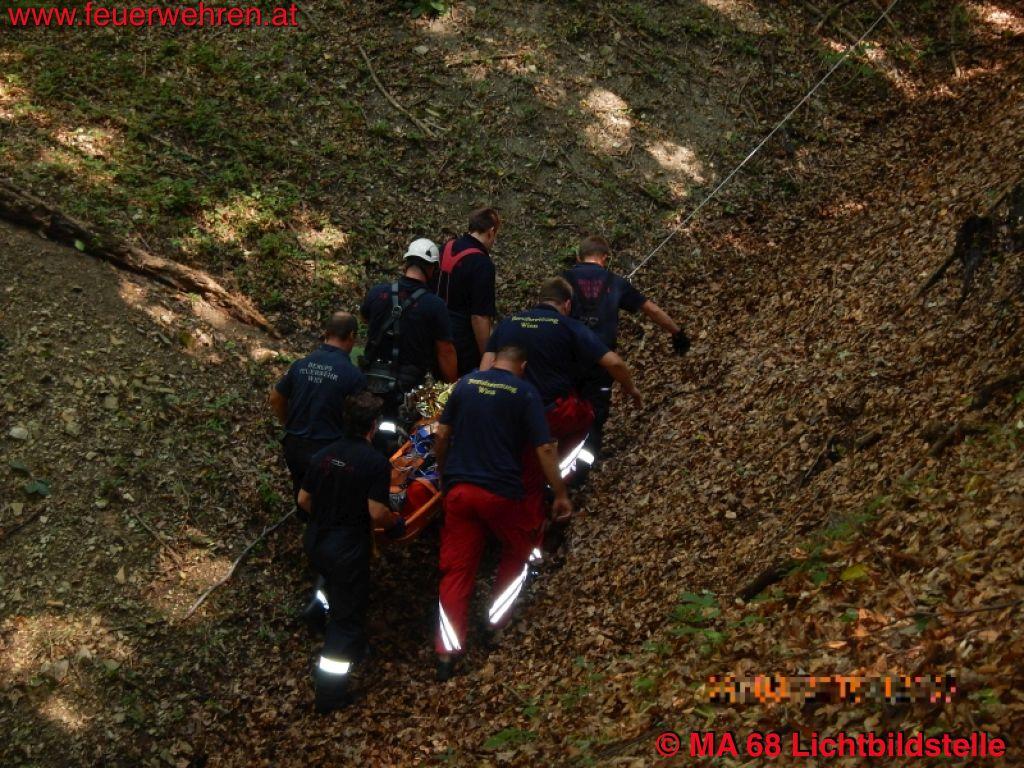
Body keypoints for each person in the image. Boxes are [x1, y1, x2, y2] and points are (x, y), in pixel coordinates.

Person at [432, 345, 571, 681]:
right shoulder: (525, 393)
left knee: (456, 571)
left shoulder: (467, 384)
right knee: (520, 549)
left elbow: (442, 434)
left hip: (461, 492)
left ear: (494, 361)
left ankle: (447, 654)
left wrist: (443, 473)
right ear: (522, 366)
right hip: (501, 495)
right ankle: (496, 620)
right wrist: (561, 494)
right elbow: (544, 447)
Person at [298, 392, 406, 713]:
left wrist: (327, 514)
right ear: (373, 426)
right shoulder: (374, 463)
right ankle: (330, 695)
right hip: (347, 546)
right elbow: (376, 512)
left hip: (317, 539)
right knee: (346, 621)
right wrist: (395, 524)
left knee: (331, 582)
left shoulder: (324, 456)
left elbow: (304, 500)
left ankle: (318, 614)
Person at [269, 312, 366, 631]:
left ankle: (313, 550)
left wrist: (289, 425)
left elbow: (276, 396)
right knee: (332, 515)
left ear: (325, 334)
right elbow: (359, 418)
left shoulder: (300, 365)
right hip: (326, 453)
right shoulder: (350, 374)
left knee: (306, 501)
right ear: (351, 337)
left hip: (295, 446)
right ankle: (321, 591)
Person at [563, 236, 689, 459]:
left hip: (565, 358)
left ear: (578, 256)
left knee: (562, 410)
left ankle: (558, 469)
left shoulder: (563, 280)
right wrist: (676, 332)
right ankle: (578, 472)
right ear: (605, 258)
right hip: (601, 362)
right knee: (594, 414)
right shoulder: (615, 281)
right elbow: (652, 310)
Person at [360, 238, 458, 419]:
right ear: (432, 268)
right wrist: (451, 387)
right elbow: (445, 351)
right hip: (407, 387)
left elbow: (366, 319)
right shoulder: (434, 305)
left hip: (371, 380)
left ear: (406, 262)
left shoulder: (378, 292)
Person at [434, 207, 500, 375]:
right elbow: (479, 317)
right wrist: (486, 356)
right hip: (462, 345)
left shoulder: (444, 248)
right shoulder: (482, 264)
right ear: (491, 231)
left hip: (433, 334)